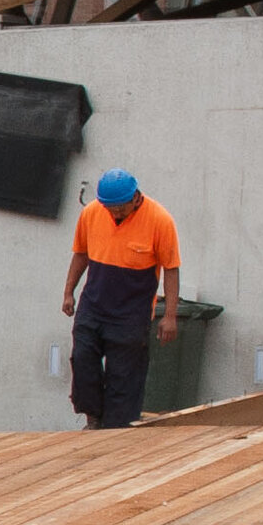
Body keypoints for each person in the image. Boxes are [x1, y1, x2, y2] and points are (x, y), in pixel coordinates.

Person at [60, 169, 180, 429]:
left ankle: (115, 431)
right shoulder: (92, 213)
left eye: (120, 208)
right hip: (93, 305)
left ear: (135, 197)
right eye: (110, 208)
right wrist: (69, 291)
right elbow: (81, 254)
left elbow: (171, 269)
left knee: (124, 378)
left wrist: (170, 316)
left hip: (131, 314)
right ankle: (93, 417)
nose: (115, 214)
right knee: (83, 360)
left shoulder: (160, 220)